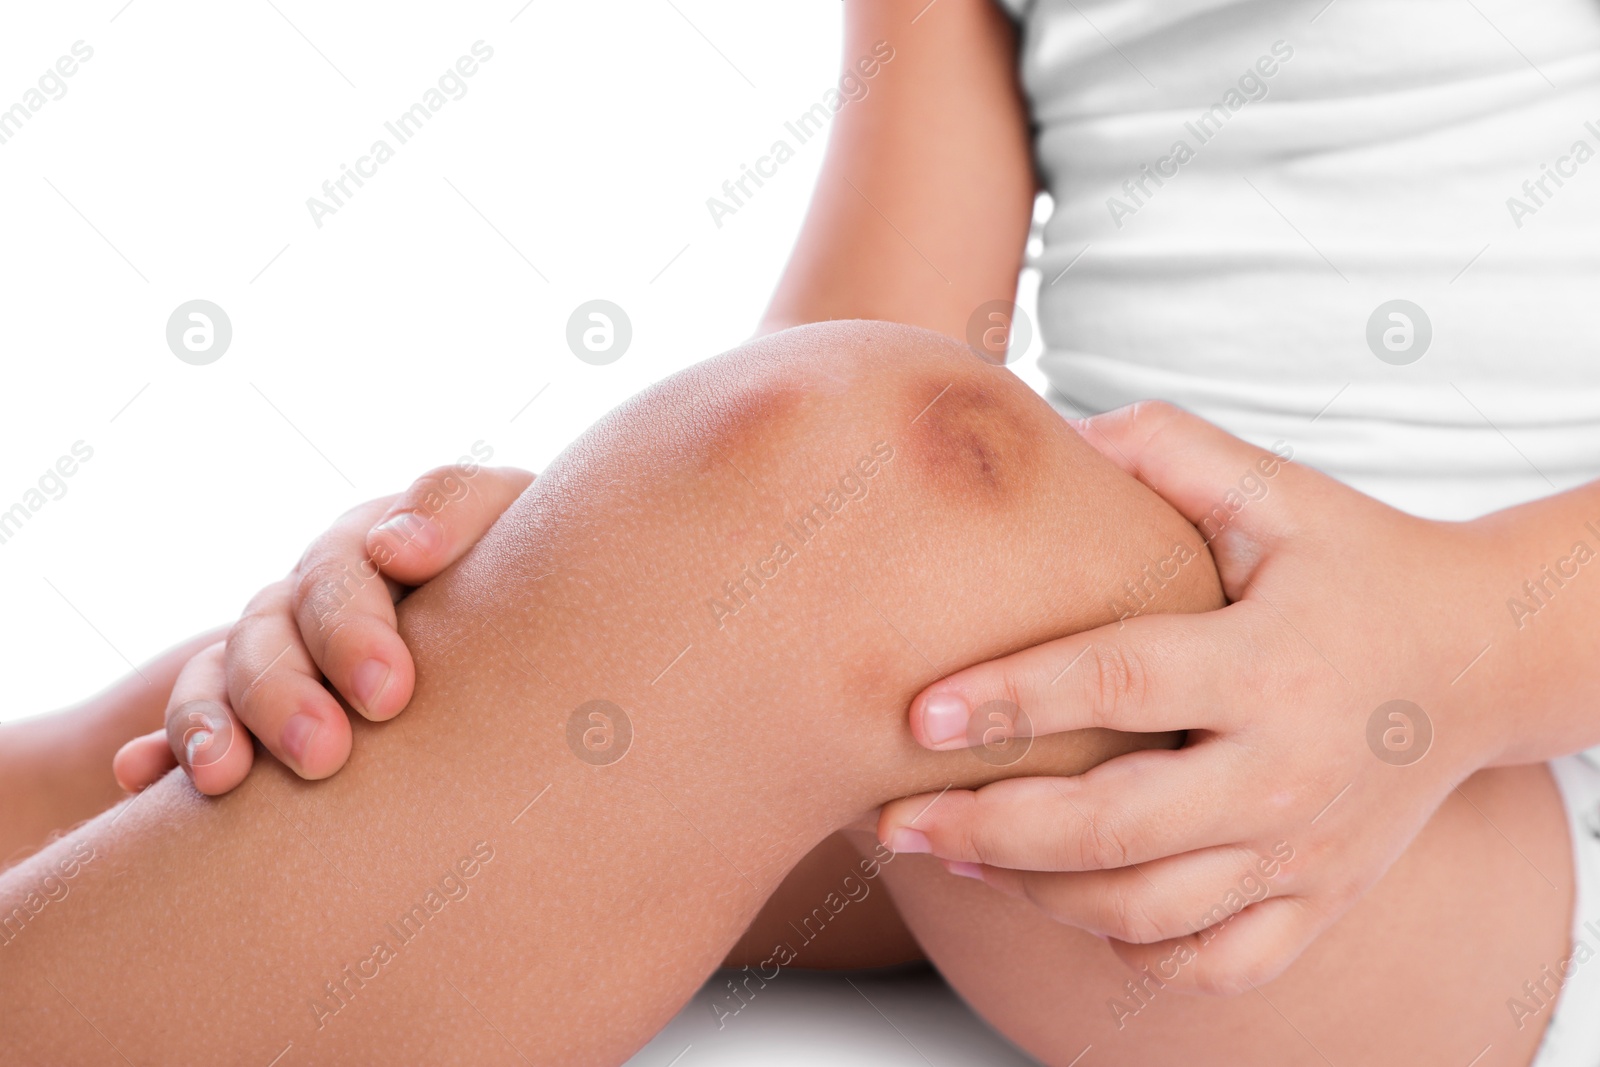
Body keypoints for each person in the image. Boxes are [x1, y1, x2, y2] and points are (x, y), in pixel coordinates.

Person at [5, 1, 1599, 1064]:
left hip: (1515, 774)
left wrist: (1460, 645)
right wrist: (615, 547)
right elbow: (862, 364)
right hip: (1075, 667)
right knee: (301, 705)